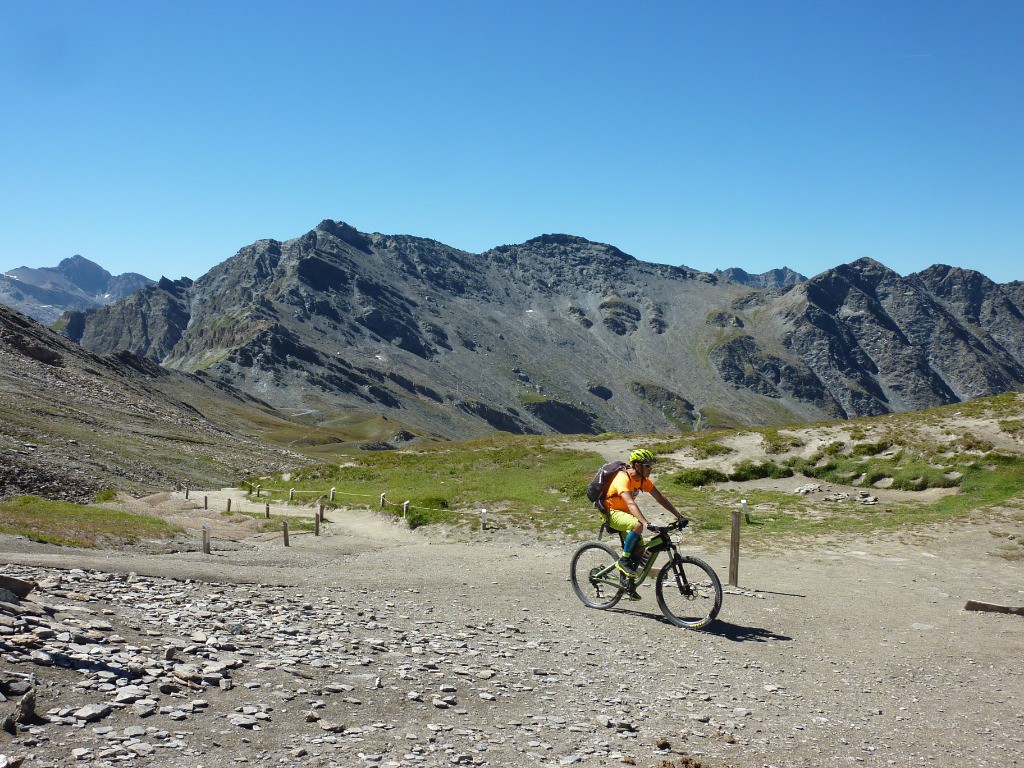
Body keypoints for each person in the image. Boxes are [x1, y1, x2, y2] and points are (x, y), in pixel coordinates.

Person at [602, 449, 686, 589]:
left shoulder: (642, 480)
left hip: (625, 513)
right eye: (647, 466)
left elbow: (660, 498)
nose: (650, 469)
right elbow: (630, 503)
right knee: (638, 525)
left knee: (640, 551)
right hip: (612, 512)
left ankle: (627, 583)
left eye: (651, 466)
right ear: (637, 465)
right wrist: (646, 523)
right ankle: (623, 561)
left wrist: (679, 516)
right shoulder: (622, 478)